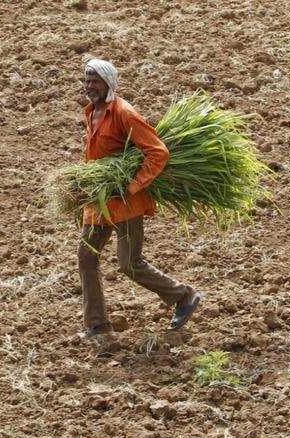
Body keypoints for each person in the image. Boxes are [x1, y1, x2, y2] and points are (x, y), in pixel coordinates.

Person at [78, 58, 201, 350]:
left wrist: (132, 186)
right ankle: (97, 326)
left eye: (95, 81)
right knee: (86, 255)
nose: (89, 86)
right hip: (100, 199)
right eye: (87, 80)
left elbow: (158, 152)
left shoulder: (124, 113)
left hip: (126, 203)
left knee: (129, 264)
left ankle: (183, 296)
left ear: (109, 83)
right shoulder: (91, 112)